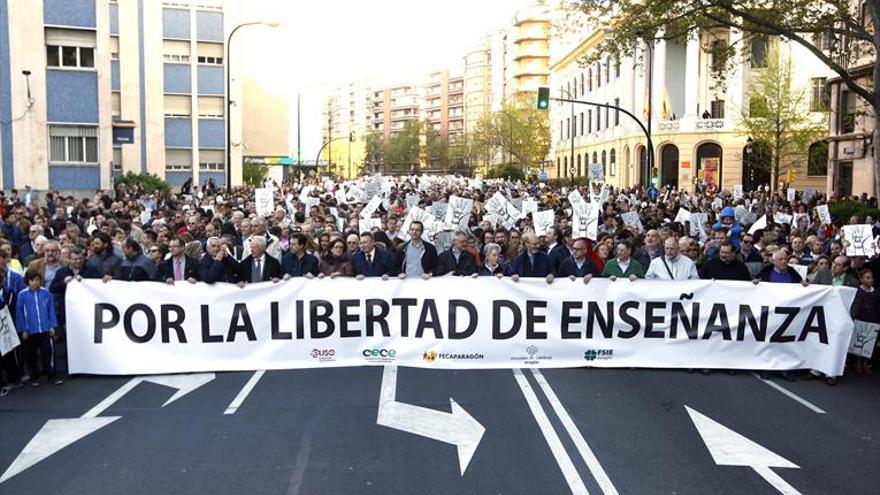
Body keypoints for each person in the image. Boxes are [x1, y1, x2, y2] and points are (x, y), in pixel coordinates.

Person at [15, 269, 61, 386]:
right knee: (31, 354)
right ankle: (34, 377)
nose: (35, 282)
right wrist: (23, 329)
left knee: (48, 352)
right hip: (30, 331)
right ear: (27, 281)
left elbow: (51, 310)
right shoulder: (22, 295)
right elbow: (19, 313)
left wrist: (52, 326)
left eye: (37, 280)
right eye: (32, 280)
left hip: (45, 329)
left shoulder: (46, 293)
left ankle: (51, 375)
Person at [850, 269, 879, 374]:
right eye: (867, 278)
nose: (871, 280)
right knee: (858, 341)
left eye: (871, 277)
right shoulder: (858, 291)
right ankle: (857, 362)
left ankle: (865, 363)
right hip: (860, 318)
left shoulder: (875, 292)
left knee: (869, 342)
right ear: (861, 279)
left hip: (872, 319)